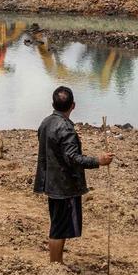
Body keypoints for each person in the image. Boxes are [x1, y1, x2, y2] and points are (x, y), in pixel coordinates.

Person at [33, 86, 114, 264]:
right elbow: (73, 158)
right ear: (73, 106)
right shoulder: (66, 129)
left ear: (53, 104)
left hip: (51, 181)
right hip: (62, 185)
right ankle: (55, 267)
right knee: (58, 228)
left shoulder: (45, 122)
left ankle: (58, 264)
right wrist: (98, 161)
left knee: (57, 224)